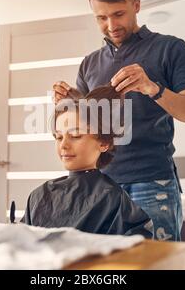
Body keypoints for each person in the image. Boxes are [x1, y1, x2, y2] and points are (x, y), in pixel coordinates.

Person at [52, 0, 185, 241]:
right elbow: (90, 127)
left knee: (157, 264)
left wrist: (152, 88)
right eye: (101, 18)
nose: (111, 25)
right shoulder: (89, 64)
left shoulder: (170, 49)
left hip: (152, 182)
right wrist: (70, 101)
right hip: (99, 184)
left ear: (136, 5)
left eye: (118, 14)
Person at [21, 85, 153, 238]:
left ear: (104, 143)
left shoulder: (111, 198)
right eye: (58, 137)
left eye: (76, 136)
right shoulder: (39, 196)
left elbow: (137, 247)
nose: (63, 145)